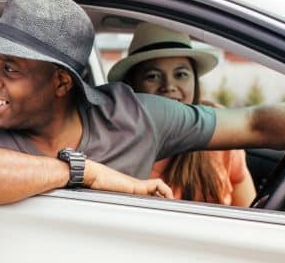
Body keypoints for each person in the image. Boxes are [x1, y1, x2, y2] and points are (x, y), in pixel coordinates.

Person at [0, 0, 285, 206]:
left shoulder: (136, 117)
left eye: (10, 68)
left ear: (60, 82)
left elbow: (255, 122)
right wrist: (84, 172)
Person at [107, 23, 256, 206]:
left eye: (181, 74)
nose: (168, 86)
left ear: (195, 81)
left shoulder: (220, 127)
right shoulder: (116, 142)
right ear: (132, 86)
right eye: (153, 76)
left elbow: (249, 213)